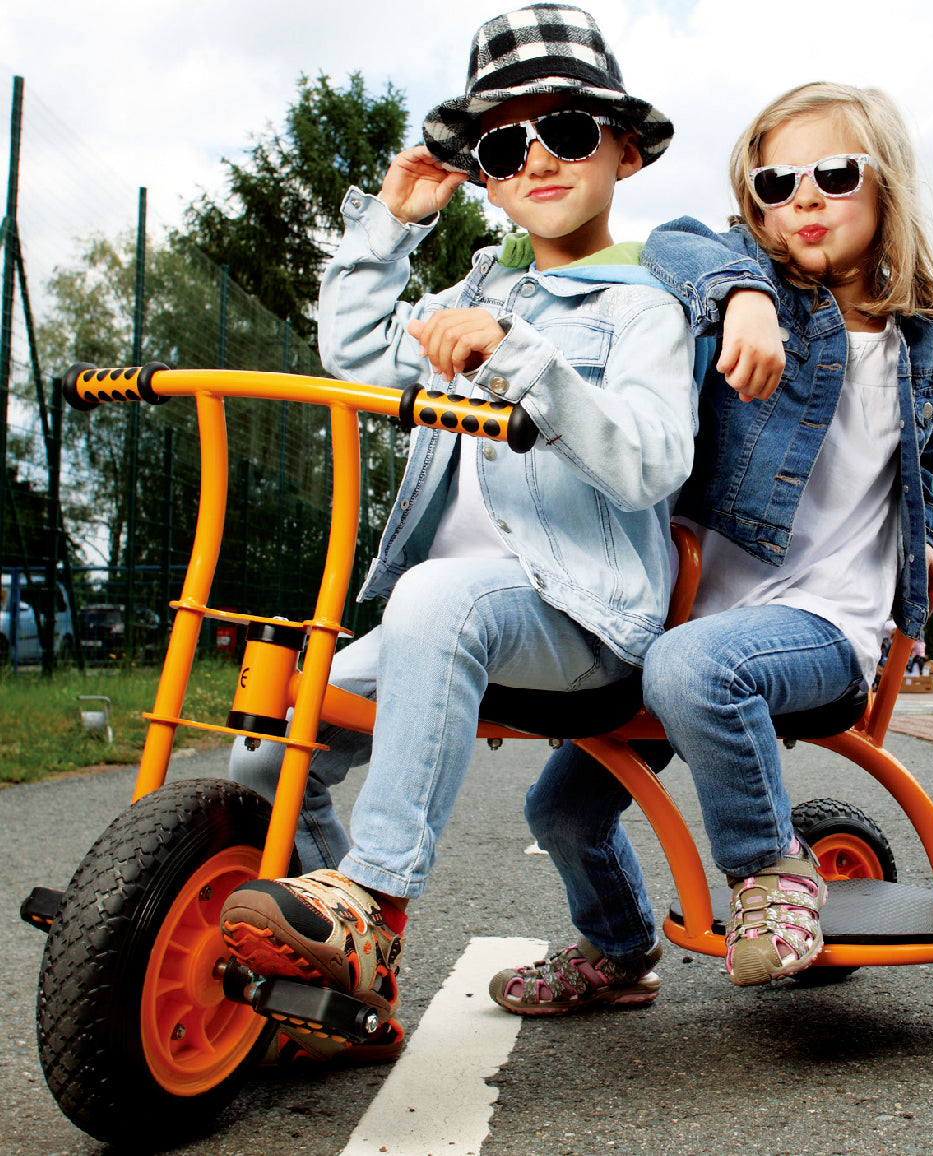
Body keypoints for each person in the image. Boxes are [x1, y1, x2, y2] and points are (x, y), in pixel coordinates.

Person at [220, 4, 697, 1064]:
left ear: (622, 146)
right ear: (480, 173)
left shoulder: (646, 308)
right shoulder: (476, 286)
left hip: (583, 618)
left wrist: (522, 354)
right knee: (269, 750)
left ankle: (373, 902)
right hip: (452, 621)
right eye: (502, 143)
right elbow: (354, 353)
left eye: (567, 129)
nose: (536, 156)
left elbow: (652, 461)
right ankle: (335, 967)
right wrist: (394, 224)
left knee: (440, 595)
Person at [490, 80, 933, 1012]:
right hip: (692, 617)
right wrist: (744, 296)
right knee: (562, 807)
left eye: (832, 173)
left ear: (885, 187)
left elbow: (920, 464)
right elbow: (672, 242)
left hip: (826, 625)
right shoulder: (742, 286)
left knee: (692, 669)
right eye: (775, 184)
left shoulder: (919, 342)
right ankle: (616, 948)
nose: (804, 201)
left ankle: (772, 873)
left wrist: (928, 548)